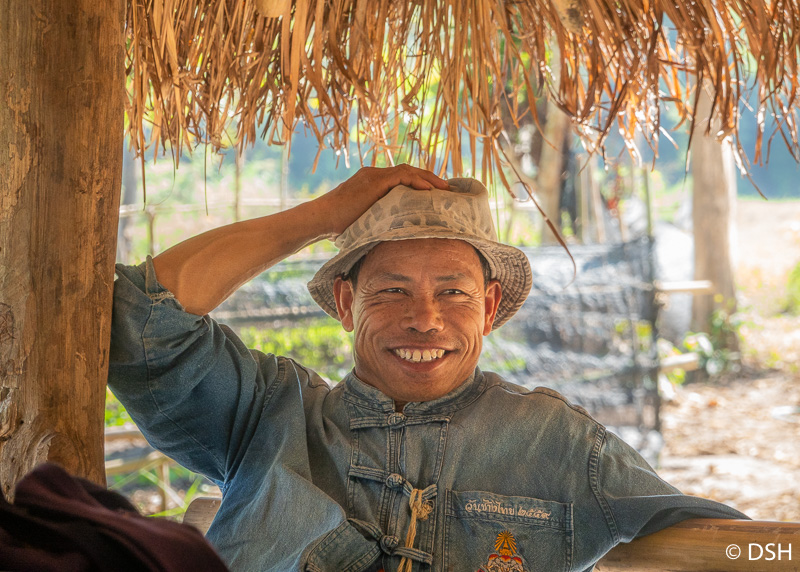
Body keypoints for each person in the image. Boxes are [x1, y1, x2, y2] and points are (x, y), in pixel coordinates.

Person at [108, 165, 746, 572]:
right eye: (391, 291)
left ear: (489, 308)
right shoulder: (266, 415)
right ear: (345, 303)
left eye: (453, 292)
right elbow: (142, 316)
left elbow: (746, 548)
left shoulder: (559, 443)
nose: (425, 319)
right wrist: (321, 216)